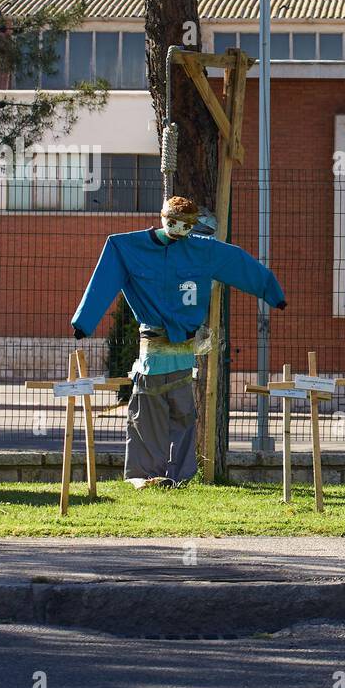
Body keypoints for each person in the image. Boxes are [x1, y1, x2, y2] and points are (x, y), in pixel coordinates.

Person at [71, 195, 286, 488]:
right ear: (163, 218)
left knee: (183, 414)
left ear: (193, 227)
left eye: (186, 226)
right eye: (172, 223)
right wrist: (85, 321)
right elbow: (103, 280)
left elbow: (238, 263)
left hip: (184, 355)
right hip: (153, 352)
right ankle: (143, 474)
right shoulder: (126, 247)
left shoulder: (202, 251)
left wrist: (272, 291)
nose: (177, 230)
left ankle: (181, 474)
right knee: (146, 413)